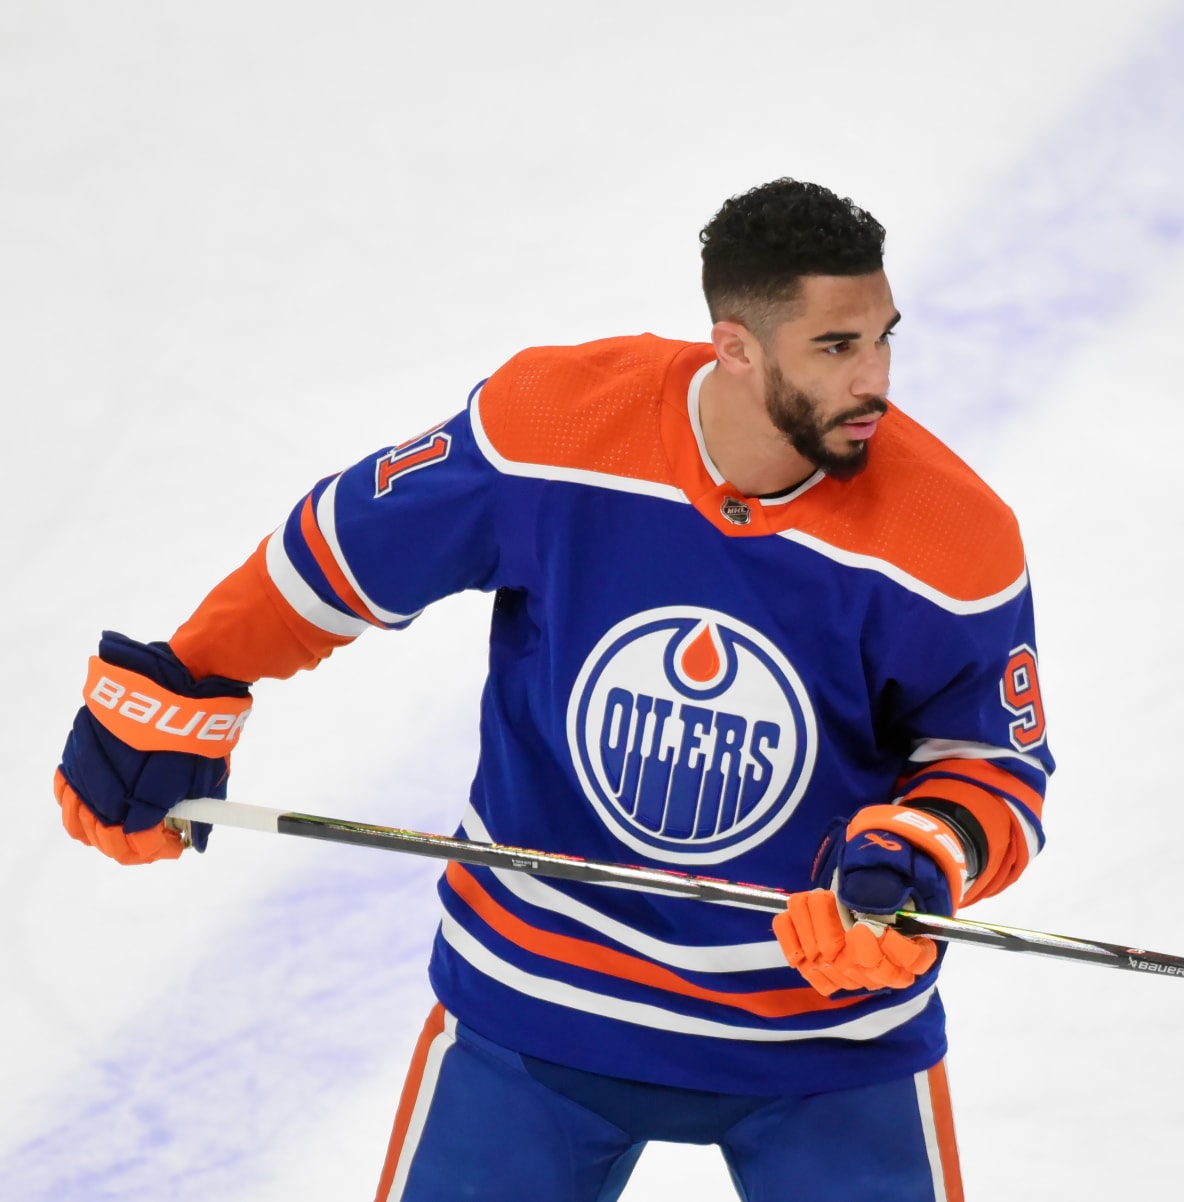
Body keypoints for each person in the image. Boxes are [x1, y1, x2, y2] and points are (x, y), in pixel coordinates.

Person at [53, 178, 1052, 1202]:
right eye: (837, 347)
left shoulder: (953, 535)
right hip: (542, 995)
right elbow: (345, 551)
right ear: (736, 345)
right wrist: (189, 677)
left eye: (884, 337)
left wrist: (917, 862)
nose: (876, 377)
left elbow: (993, 767)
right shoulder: (559, 426)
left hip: (822, 1029)